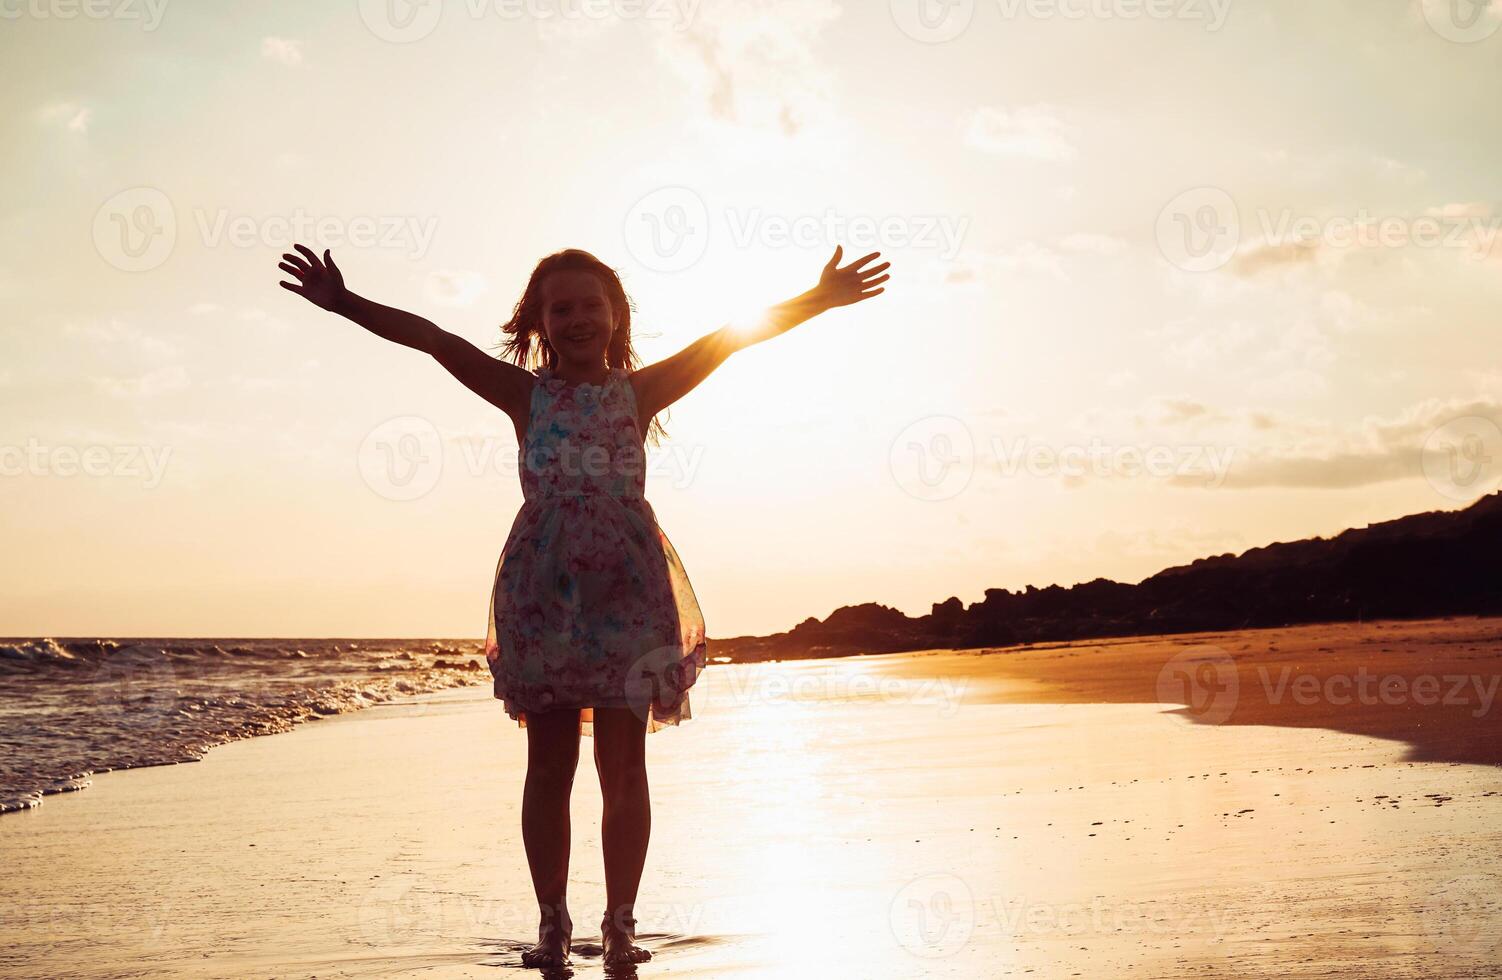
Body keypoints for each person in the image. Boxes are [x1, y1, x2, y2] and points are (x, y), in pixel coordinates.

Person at [276, 242, 890, 967]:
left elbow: (728, 339)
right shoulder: (524, 395)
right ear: (537, 322)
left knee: (625, 766)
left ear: (616, 315)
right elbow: (435, 341)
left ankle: (621, 923)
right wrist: (345, 302)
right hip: (543, 594)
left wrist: (816, 298)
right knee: (549, 766)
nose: (576, 319)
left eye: (590, 305)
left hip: (629, 592)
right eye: (559, 308)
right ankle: (553, 923)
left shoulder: (641, 391)